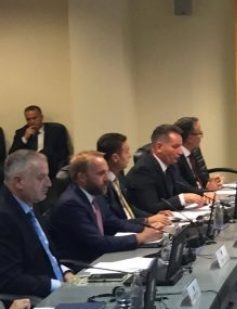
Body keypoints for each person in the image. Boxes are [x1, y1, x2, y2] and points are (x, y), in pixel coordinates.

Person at [48, 151, 162, 263]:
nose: (107, 178)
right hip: (84, 265)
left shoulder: (95, 194)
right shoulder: (71, 204)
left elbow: (113, 222)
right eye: (100, 173)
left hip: (101, 257)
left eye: (107, 172)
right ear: (82, 177)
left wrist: (145, 230)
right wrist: (139, 238)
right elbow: (97, 243)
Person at [0, 150, 75, 298]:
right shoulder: (4, 217)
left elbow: (44, 255)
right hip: (37, 299)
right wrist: (58, 285)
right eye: (41, 178)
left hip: (59, 286)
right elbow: (9, 279)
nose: (49, 183)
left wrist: (65, 271)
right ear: (18, 182)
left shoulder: (29, 203)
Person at [125, 124, 210, 213]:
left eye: (180, 146)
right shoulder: (143, 170)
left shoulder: (170, 164)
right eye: (175, 147)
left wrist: (206, 193)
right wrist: (182, 199)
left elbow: (182, 186)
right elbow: (151, 207)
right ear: (159, 147)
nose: (180, 152)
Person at [97, 133, 171, 228]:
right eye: (126, 152)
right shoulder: (102, 187)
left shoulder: (119, 178)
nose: (129, 156)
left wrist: (152, 216)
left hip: (133, 226)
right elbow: (114, 221)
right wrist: (146, 221)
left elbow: (129, 208)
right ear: (115, 157)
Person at [8, 105, 71, 177]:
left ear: (41, 117)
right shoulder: (21, 132)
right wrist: (25, 138)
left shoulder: (56, 131)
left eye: (34, 118)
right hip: (29, 168)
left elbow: (63, 153)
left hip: (51, 165)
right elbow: (12, 155)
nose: (32, 121)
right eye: (28, 119)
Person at [174, 117, 223, 192]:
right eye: (200, 133)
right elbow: (182, 188)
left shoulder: (194, 151)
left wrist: (209, 181)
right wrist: (207, 190)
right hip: (193, 197)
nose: (202, 137)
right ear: (189, 138)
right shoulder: (175, 157)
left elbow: (200, 179)